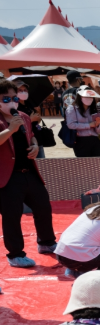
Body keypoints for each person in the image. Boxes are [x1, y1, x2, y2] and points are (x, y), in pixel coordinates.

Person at [0, 78, 56, 268]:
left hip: (29, 171)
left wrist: (33, 146)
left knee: (43, 207)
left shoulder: (23, 116)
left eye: (14, 98)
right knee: (11, 216)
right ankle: (15, 254)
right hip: (7, 176)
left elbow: (30, 136)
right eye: (5, 99)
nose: (12, 102)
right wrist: (10, 129)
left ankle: (47, 243)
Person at [66, 86, 100, 157]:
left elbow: (99, 131)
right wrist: (89, 125)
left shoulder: (94, 109)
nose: (89, 98)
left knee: (96, 165)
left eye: (91, 96)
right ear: (80, 96)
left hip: (95, 141)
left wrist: (98, 124)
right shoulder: (72, 108)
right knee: (84, 166)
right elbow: (71, 125)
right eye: (86, 96)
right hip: (80, 141)